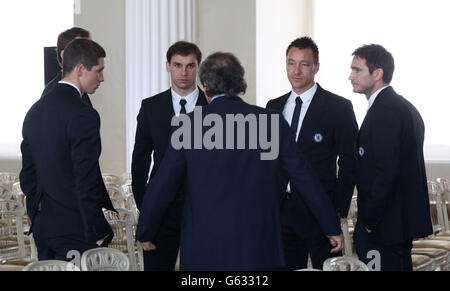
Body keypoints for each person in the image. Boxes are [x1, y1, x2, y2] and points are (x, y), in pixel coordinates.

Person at [136, 51, 344, 271]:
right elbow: (304, 177)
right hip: (259, 246)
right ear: (239, 83)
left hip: (205, 247)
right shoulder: (269, 122)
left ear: (205, 85)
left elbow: (163, 183)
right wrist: (330, 226)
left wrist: (146, 229)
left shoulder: (190, 125)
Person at [266, 37, 358, 270]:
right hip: (280, 210)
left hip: (319, 211)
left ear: (316, 67)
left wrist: (336, 210)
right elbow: (266, 159)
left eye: (304, 64)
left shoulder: (338, 108)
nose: (296, 70)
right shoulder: (272, 107)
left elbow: (350, 163)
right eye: (291, 63)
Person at [19, 39, 115, 261]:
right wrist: (95, 229)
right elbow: (86, 178)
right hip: (76, 229)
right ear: (81, 69)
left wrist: (39, 217)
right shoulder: (84, 114)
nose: (102, 78)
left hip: (44, 228)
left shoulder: (35, 110)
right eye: (99, 70)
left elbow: (28, 177)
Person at [349, 44, 433, 271]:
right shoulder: (403, 106)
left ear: (377, 74)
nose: (350, 76)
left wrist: (368, 222)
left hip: (384, 227)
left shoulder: (385, 110)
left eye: (357, 70)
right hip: (395, 224)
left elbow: (386, 172)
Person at [131, 41, 208, 270]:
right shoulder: (151, 107)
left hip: (202, 210)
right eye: (177, 65)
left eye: (190, 66)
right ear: (168, 66)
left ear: (198, 67)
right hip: (160, 211)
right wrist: (145, 207)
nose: (183, 72)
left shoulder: (214, 108)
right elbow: (140, 160)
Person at [41, 27, 92, 108]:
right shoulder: (53, 93)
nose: (91, 55)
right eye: (84, 49)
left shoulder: (78, 88)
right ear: (64, 55)